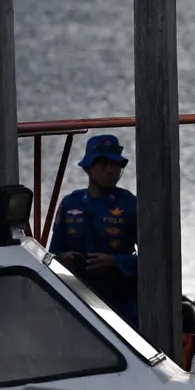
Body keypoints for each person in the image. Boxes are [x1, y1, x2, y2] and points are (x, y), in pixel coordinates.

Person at [48, 134, 140, 328]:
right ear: (88, 167)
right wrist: (65, 259)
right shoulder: (70, 203)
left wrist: (115, 262)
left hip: (121, 299)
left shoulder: (131, 205)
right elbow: (51, 254)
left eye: (115, 165)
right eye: (103, 164)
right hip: (78, 296)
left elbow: (153, 261)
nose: (110, 170)